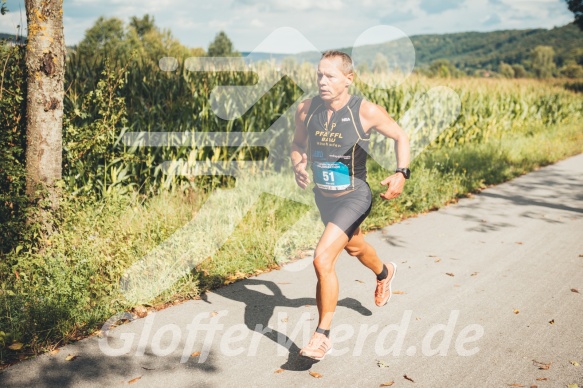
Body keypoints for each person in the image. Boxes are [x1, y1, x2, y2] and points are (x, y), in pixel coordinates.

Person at [290, 50, 411, 360]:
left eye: (330, 76)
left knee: (322, 259)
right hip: (324, 197)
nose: (322, 81)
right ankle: (385, 273)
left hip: (355, 195)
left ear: (348, 78)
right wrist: (298, 163)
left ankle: (322, 336)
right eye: (319, 75)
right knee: (354, 246)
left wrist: (401, 173)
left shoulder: (365, 111)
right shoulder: (306, 110)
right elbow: (298, 145)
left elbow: (400, 135)